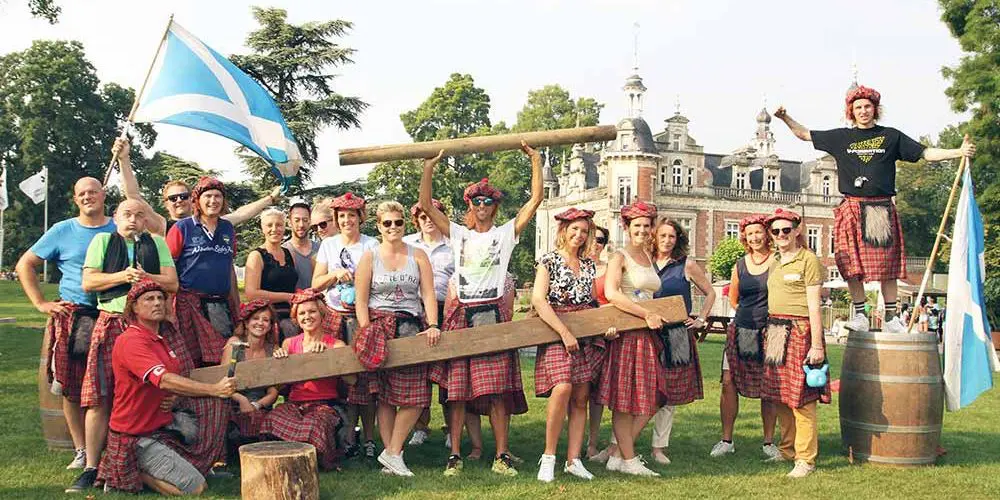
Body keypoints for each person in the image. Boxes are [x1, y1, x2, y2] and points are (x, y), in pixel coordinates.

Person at [774, 87, 975, 333]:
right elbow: (804, 134)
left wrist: (958, 152)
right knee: (850, 265)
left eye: (867, 106)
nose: (863, 111)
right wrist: (784, 117)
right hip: (851, 207)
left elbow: (925, 153)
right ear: (851, 111)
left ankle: (891, 318)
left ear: (875, 109)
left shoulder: (891, 136)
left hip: (881, 208)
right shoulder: (841, 137)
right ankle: (860, 315)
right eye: (858, 107)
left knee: (887, 266)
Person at [420, 141, 544, 477]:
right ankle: (455, 456)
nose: (482, 206)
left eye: (488, 201)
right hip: (462, 314)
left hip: (493, 313)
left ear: (495, 206)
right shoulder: (458, 234)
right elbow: (425, 206)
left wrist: (535, 160)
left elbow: (535, 200)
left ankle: (502, 456)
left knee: (498, 391)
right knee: (458, 391)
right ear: (470, 205)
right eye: (477, 201)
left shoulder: (505, 235)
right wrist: (429, 166)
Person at [66, 200, 178, 493]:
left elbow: (172, 283)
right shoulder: (103, 241)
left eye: (140, 215)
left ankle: (143, 462)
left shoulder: (156, 242)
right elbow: (88, 281)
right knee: (100, 395)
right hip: (112, 322)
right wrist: (123, 276)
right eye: (127, 214)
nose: (133, 220)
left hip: (149, 327)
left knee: (152, 393)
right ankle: (92, 467)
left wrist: (146, 278)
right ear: (115, 217)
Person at [97, 279, 236, 495]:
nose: (157, 303)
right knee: (196, 488)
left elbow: (168, 381)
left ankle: (185, 464)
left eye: (160, 298)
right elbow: (164, 379)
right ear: (134, 307)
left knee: (215, 405)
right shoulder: (131, 341)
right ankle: (129, 470)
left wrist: (174, 395)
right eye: (149, 299)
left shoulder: (160, 338)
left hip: (162, 429)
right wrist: (214, 389)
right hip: (136, 437)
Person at [15, 177, 116, 471]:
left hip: (113, 314)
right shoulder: (63, 230)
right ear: (75, 199)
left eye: (93, 192)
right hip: (75, 317)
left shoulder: (119, 227)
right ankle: (81, 449)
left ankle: (110, 446)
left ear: (103, 194)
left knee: (111, 384)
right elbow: (24, 264)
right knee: (72, 384)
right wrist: (40, 303)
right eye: (81, 193)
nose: (88, 197)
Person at [352, 201, 441, 476]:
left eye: (398, 222)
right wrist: (366, 330)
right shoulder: (369, 257)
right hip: (379, 327)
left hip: (410, 325)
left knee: (417, 394)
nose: (393, 227)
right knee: (385, 396)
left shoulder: (418, 255)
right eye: (387, 223)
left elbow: (428, 294)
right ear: (379, 226)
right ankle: (393, 457)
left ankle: (392, 452)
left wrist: (433, 324)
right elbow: (361, 300)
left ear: (404, 224)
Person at [531, 208, 617, 482]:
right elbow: (539, 300)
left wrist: (604, 326)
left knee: (581, 397)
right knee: (562, 387)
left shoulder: (589, 265)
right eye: (574, 229)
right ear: (564, 231)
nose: (579, 235)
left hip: (586, 334)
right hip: (556, 330)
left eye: (584, 231)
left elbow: (593, 303)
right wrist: (564, 332)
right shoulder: (549, 261)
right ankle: (548, 456)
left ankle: (573, 459)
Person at [594, 200, 667, 477]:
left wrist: (652, 315)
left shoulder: (648, 256)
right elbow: (612, 293)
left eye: (647, 226)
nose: (642, 230)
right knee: (624, 398)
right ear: (626, 227)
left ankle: (618, 454)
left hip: (647, 334)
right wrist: (645, 314)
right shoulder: (619, 257)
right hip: (627, 333)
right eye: (637, 225)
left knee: (653, 396)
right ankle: (629, 459)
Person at [760, 208, 831, 478]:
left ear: (797, 230)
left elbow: (815, 306)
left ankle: (805, 459)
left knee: (802, 398)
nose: (781, 234)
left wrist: (817, 345)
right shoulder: (775, 261)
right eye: (776, 231)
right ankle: (787, 449)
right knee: (779, 395)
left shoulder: (808, 259)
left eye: (786, 230)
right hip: (775, 330)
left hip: (800, 330)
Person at [312, 192, 379, 458]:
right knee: (342, 380)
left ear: (360, 217)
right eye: (341, 216)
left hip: (363, 317)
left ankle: (370, 438)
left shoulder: (371, 244)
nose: (346, 220)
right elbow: (316, 283)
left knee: (366, 380)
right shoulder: (329, 245)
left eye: (352, 215)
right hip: (334, 317)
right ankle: (348, 436)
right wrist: (334, 274)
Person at [646, 218, 713, 465]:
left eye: (671, 236)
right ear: (655, 237)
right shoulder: (644, 263)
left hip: (677, 334)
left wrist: (701, 319)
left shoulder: (687, 264)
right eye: (662, 236)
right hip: (647, 332)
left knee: (669, 393)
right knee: (642, 388)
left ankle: (658, 447)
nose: (666, 241)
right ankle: (619, 443)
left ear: (678, 239)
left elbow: (711, 292)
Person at [711, 214, 779, 460]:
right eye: (750, 234)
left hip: (769, 332)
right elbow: (734, 299)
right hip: (740, 330)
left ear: (767, 234)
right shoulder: (739, 264)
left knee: (768, 386)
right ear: (745, 238)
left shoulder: (778, 261)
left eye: (758, 232)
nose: (754, 237)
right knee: (728, 382)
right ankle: (726, 440)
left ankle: (768, 442)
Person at [265, 290, 355, 470]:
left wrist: (329, 357)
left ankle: (314, 460)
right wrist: (280, 363)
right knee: (273, 419)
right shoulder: (289, 343)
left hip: (326, 405)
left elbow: (351, 380)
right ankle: (289, 458)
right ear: (296, 318)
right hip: (295, 404)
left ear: (321, 315)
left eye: (312, 311)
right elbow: (280, 385)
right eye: (302, 313)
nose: (307, 317)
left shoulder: (336, 344)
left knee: (313, 425)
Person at [166, 177, 240, 366]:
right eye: (208, 196)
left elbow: (229, 269)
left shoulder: (227, 228)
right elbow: (167, 269)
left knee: (223, 357)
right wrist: (168, 310)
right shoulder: (182, 227)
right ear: (197, 200)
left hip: (220, 305)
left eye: (218, 196)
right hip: (188, 304)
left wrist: (237, 308)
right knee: (192, 360)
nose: (213, 201)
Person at [403, 199, 455, 447]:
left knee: (448, 371)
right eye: (423, 217)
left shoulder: (454, 243)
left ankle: (450, 428)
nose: (428, 221)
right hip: (416, 310)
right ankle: (420, 427)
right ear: (417, 221)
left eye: (433, 215)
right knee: (419, 372)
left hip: (448, 309)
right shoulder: (408, 245)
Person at [222, 299, 280, 446]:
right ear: (246, 323)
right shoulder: (234, 344)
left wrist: (256, 405)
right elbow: (222, 382)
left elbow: (273, 392)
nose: (260, 323)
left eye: (265, 320)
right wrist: (242, 400)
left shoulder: (272, 349)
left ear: (270, 326)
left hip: (260, 405)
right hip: (233, 402)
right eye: (255, 318)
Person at [245, 208, 299, 340]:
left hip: (292, 315)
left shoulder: (289, 253)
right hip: (268, 317)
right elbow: (251, 294)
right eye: (269, 225)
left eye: (279, 225)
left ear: (284, 227)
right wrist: (287, 297)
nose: (274, 229)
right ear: (262, 228)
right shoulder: (256, 256)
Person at [158, 180, 281, 234]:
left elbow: (240, 214)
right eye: (173, 198)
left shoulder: (208, 223)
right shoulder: (160, 227)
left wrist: (270, 198)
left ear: (192, 199)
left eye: (184, 196)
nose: (179, 200)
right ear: (166, 203)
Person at [585, 225, 611, 460]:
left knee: (596, 393)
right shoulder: (574, 265)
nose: (596, 243)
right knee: (575, 392)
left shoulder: (609, 269)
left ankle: (592, 442)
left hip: (604, 334)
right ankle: (571, 443)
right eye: (592, 238)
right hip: (579, 333)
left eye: (601, 240)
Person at [284, 202, 320, 291]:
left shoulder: (321, 249)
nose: (301, 225)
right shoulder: (283, 251)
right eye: (297, 220)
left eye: (305, 220)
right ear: (289, 222)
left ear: (310, 222)